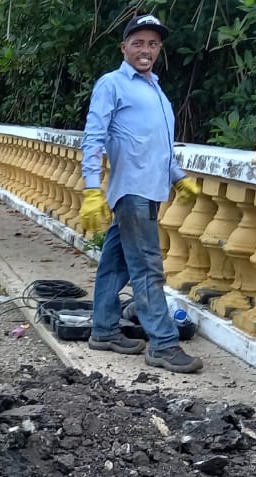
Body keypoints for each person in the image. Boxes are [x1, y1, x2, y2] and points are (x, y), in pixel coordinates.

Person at [79, 13, 203, 373]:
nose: (145, 50)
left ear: (159, 48)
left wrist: (177, 177)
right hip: (132, 192)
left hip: (151, 190)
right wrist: (91, 189)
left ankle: (103, 330)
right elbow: (93, 138)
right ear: (124, 47)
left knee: (114, 264)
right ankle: (163, 344)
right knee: (148, 269)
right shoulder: (112, 84)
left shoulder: (156, 90)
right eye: (138, 43)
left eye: (152, 44)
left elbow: (156, 145)